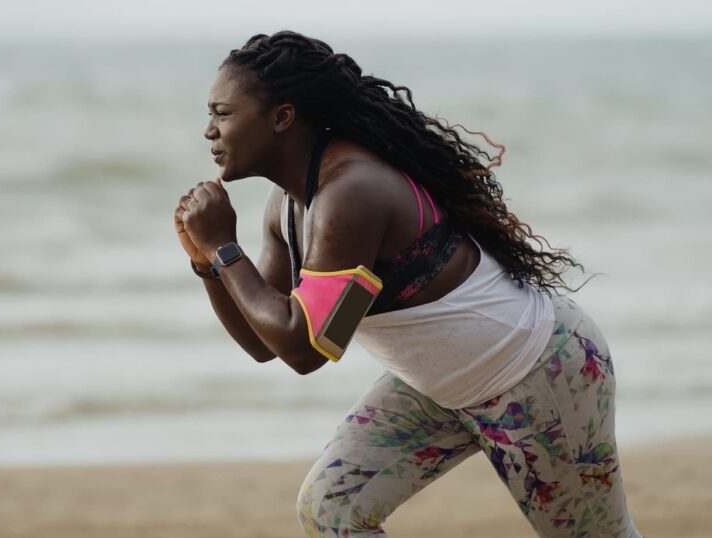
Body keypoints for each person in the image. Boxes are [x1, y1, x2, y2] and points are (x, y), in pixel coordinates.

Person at [173, 31, 642, 537]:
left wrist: (225, 247)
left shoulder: (351, 193)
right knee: (332, 509)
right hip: (440, 388)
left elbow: (306, 349)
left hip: (535, 372)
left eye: (222, 113)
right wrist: (207, 262)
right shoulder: (286, 205)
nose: (209, 132)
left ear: (282, 117)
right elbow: (266, 343)